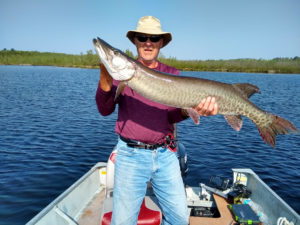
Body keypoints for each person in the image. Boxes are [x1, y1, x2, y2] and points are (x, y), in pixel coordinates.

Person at [96, 16, 218, 225]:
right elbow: (104, 110)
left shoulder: (172, 74)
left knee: (180, 219)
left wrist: (190, 111)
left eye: (154, 38)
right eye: (142, 37)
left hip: (165, 155)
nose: (148, 42)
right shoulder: (120, 74)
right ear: (135, 41)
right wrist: (105, 83)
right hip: (130, 155)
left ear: (161, 42)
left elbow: (170, 116)